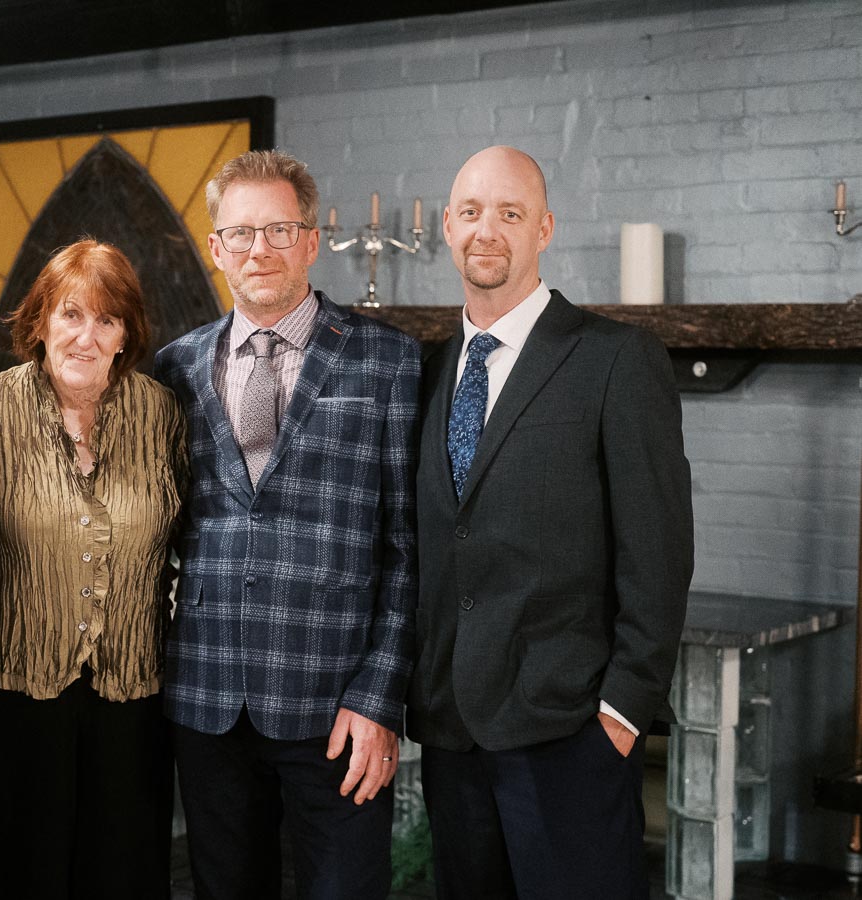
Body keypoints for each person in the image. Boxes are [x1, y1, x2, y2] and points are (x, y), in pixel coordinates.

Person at [408, 145, 694, 899]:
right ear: (446, 226)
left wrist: (623, 712)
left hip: (571, 737)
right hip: (452, 737)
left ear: (545, 228)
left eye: (510, 213)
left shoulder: (614, 360)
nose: (487, 230)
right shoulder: (429, 371)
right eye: (470, 212)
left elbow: (659, 553)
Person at [154, 149, 421, 899]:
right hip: (207, 699)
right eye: (239, 234)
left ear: (311, 241)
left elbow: (407, 549)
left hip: (335, 705)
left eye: (279, 229)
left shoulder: (386, 362)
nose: (259, 249)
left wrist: (379, 698)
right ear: (216, 249)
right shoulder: (172, 369)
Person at [0, 239, 187, 899]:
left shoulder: (162, 414)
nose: (86, 336)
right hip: (17, 704)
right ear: (39, 323)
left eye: (106, 320)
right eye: (69, 315)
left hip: (132, 709)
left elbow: (197, 537)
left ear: (127, 335)